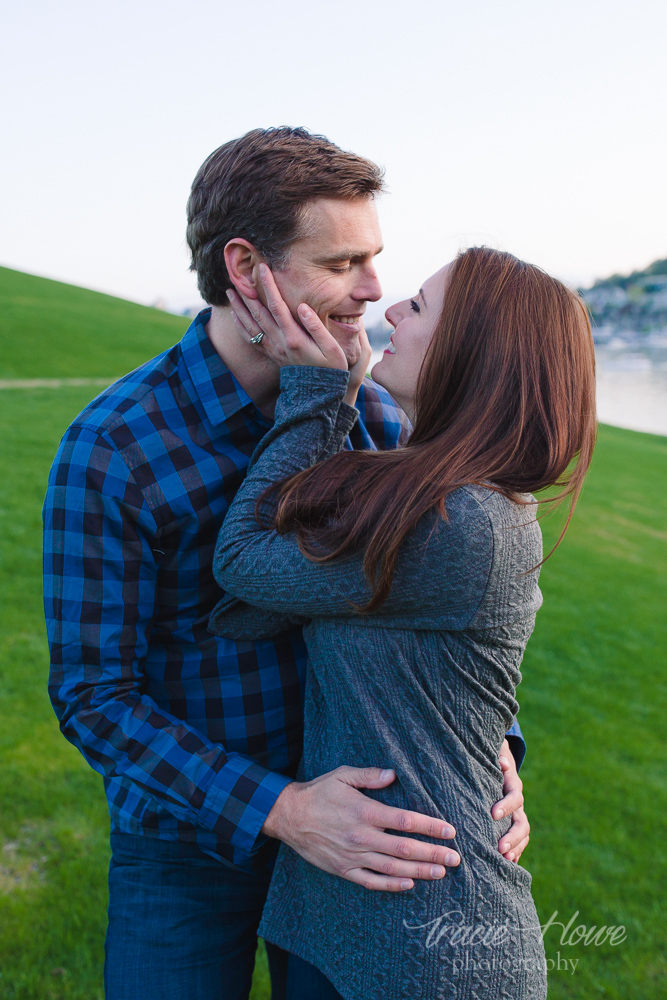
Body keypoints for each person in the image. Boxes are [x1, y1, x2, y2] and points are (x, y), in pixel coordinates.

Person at [43, 127, 530, 1000]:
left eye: (374, 260)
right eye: (343, 263)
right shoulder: (116, 449)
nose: (374, 292)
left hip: (364, 834)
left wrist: (492, 746)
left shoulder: (375, 419)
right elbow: (92, 697)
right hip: (190, 842)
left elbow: (452, 608)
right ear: (246, 267)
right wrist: (284, 809)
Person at [210, 247, 597, 999]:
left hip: (428, 945)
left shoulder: (463, 523)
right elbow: (258, 615)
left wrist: (318, 395)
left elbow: (244, 564)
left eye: (416, 306)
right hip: (335, 916)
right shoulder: (434, 496)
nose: (388, 311)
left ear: (473, 352)